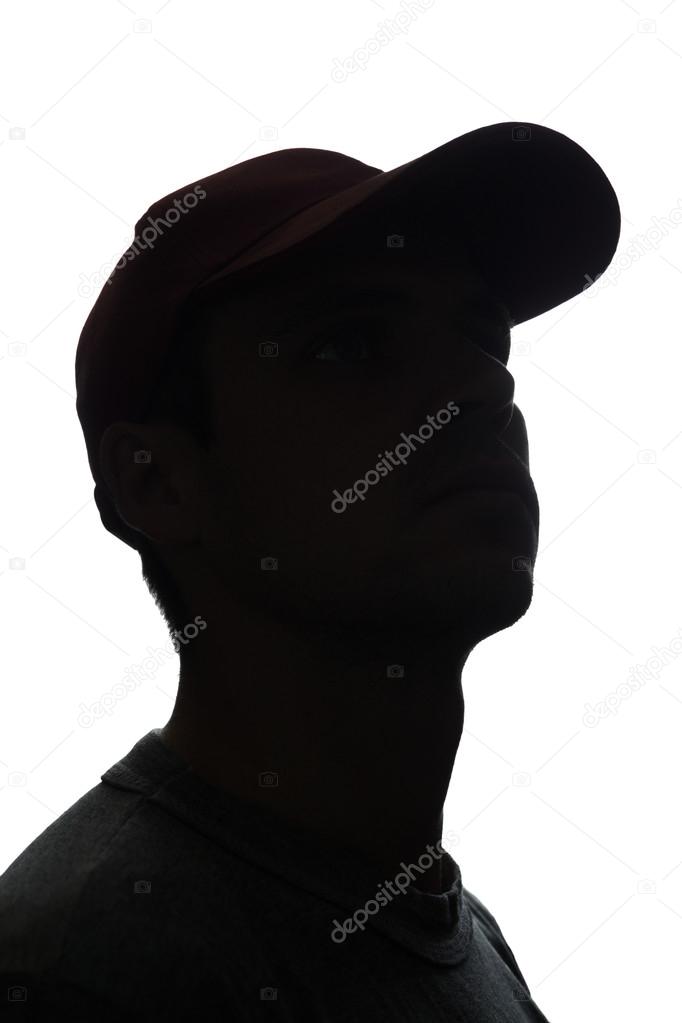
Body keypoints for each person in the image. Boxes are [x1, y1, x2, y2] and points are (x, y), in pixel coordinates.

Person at [0, 122, 620, 1021]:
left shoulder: (456, 928)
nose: (483, 391)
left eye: (486, 343)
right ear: (160, 482)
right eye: (348, 346)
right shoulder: (81, 969)